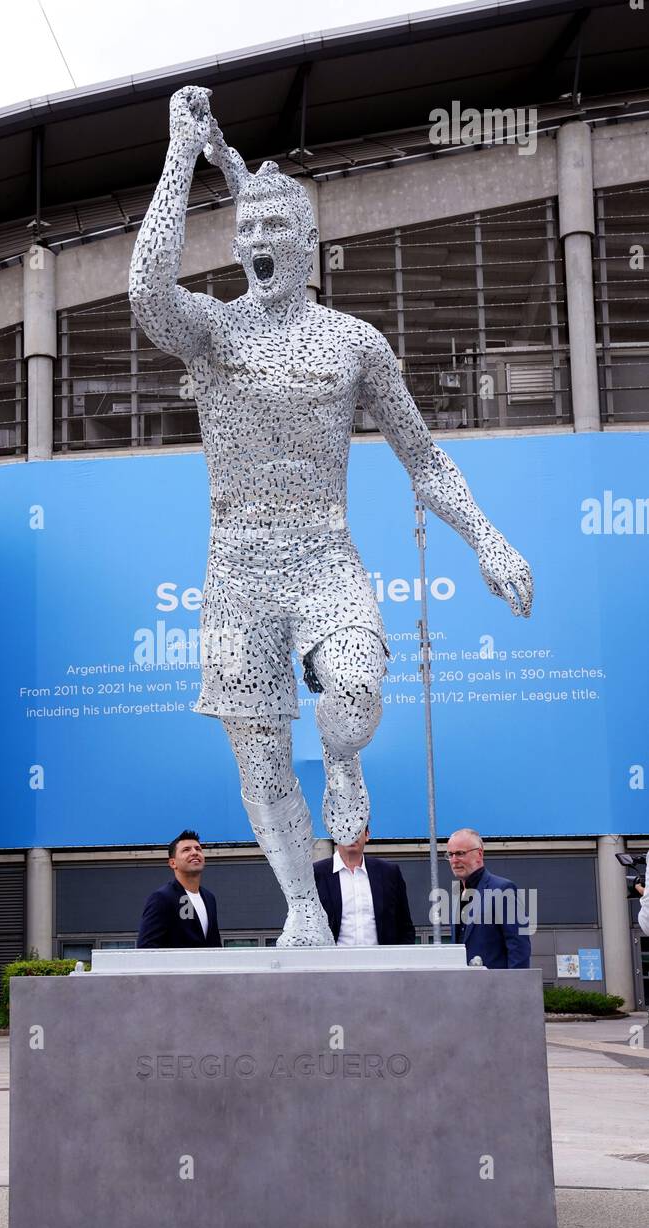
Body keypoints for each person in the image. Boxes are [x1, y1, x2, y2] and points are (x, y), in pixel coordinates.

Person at [129, 86, 533, 947]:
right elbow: (145, 290)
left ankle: (344, 756)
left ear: (309, 245)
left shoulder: (354, 343)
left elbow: (422, 458)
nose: (260, 244)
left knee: (351, 694)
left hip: (323, 561)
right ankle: (303, 907)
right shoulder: (210, 332)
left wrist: (486, 539)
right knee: (260, 753)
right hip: (236, 571)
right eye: (247, 232)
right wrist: (177, 155)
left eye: (277, 231)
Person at [314, 825, 413, 945]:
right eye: (346, 829)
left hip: (382, 961)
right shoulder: (316, 874)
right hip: (334, 961)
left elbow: (405, 927)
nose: (352, 835)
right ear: (335, 836)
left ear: (367, 835)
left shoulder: (389, 873)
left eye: (357, 829)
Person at [446, 828, 530, 969]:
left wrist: (515, 988)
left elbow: (518, 948)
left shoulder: (503, 889)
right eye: (450, 854)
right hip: (463, 986)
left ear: (479, 854)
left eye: (460, 853)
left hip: (496, 987)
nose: (454, 860)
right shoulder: (457, 895)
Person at [137, 829, 222, 948]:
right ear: (172, 863)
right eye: (186, 850)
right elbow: (147, 947)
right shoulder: (162, 898)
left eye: (198, 849)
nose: (194, 852)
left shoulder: (209, 898)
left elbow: (214, 944)